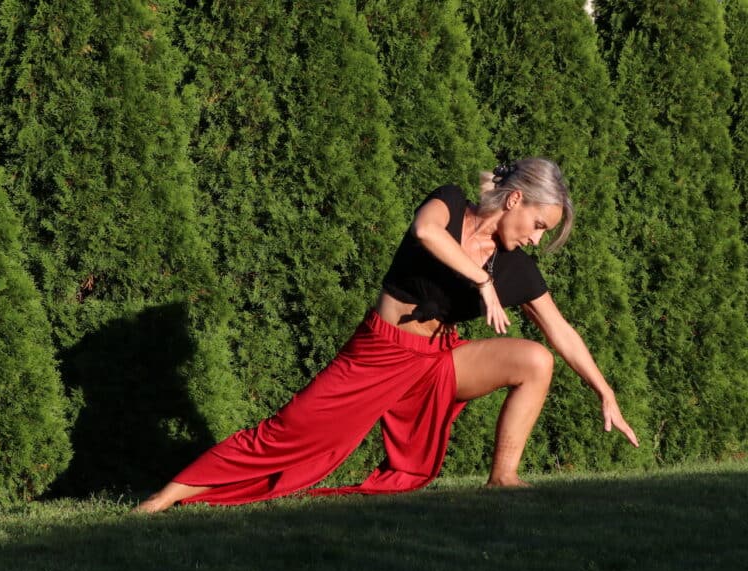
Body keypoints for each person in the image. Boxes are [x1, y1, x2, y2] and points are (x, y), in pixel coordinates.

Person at [135, 158, 638, 513]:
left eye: (543, 233)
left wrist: (605, 390)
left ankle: (502, 477)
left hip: (436, 362)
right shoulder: (452, 203)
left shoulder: (516, 267)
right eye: (537, 224)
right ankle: (169, 495)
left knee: (535, 360)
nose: (535, 238)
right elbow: (425, 231)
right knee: (291, 432)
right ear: (514, 199)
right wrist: (481, 281)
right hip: (381, 352)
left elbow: (560, 331)